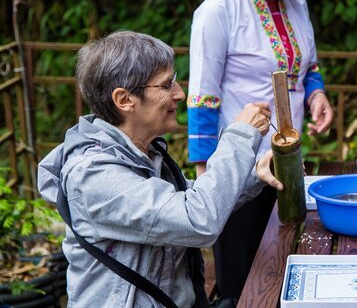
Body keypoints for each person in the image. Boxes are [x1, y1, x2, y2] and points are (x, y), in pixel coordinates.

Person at [37, 31, 283, 307]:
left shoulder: (143, 153)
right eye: (166, 86)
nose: (179, 94)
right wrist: (240, 135)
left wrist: (255, 176)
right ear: (125, 99)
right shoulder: (93, 176)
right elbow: (197, 218)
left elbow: (185, 198)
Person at [187, 0, 333, 303]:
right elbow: (202, 97)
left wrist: (317, 94)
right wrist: (206, 184)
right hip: (237, 171)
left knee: (283, 259)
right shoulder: (217, 11)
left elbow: (309, 66)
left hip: (288, 158)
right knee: (240, 279)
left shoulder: (297, 3)